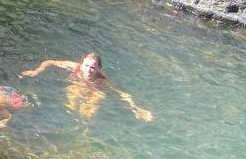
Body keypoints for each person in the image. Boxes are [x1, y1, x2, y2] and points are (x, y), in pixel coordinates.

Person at [19, 51, 154, 122]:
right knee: (72, 105)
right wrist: (36, 71)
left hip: (94, 92)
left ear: (99, 68)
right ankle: (73, 122)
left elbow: (123, 94)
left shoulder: (103, 79)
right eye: (86, 65)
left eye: (93, 68)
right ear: (81, 63)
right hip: (76, 86)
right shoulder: (75, 67)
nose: (88, 70)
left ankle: (85, 129)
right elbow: (50, 62)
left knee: (88, 112)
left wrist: (136, 109)